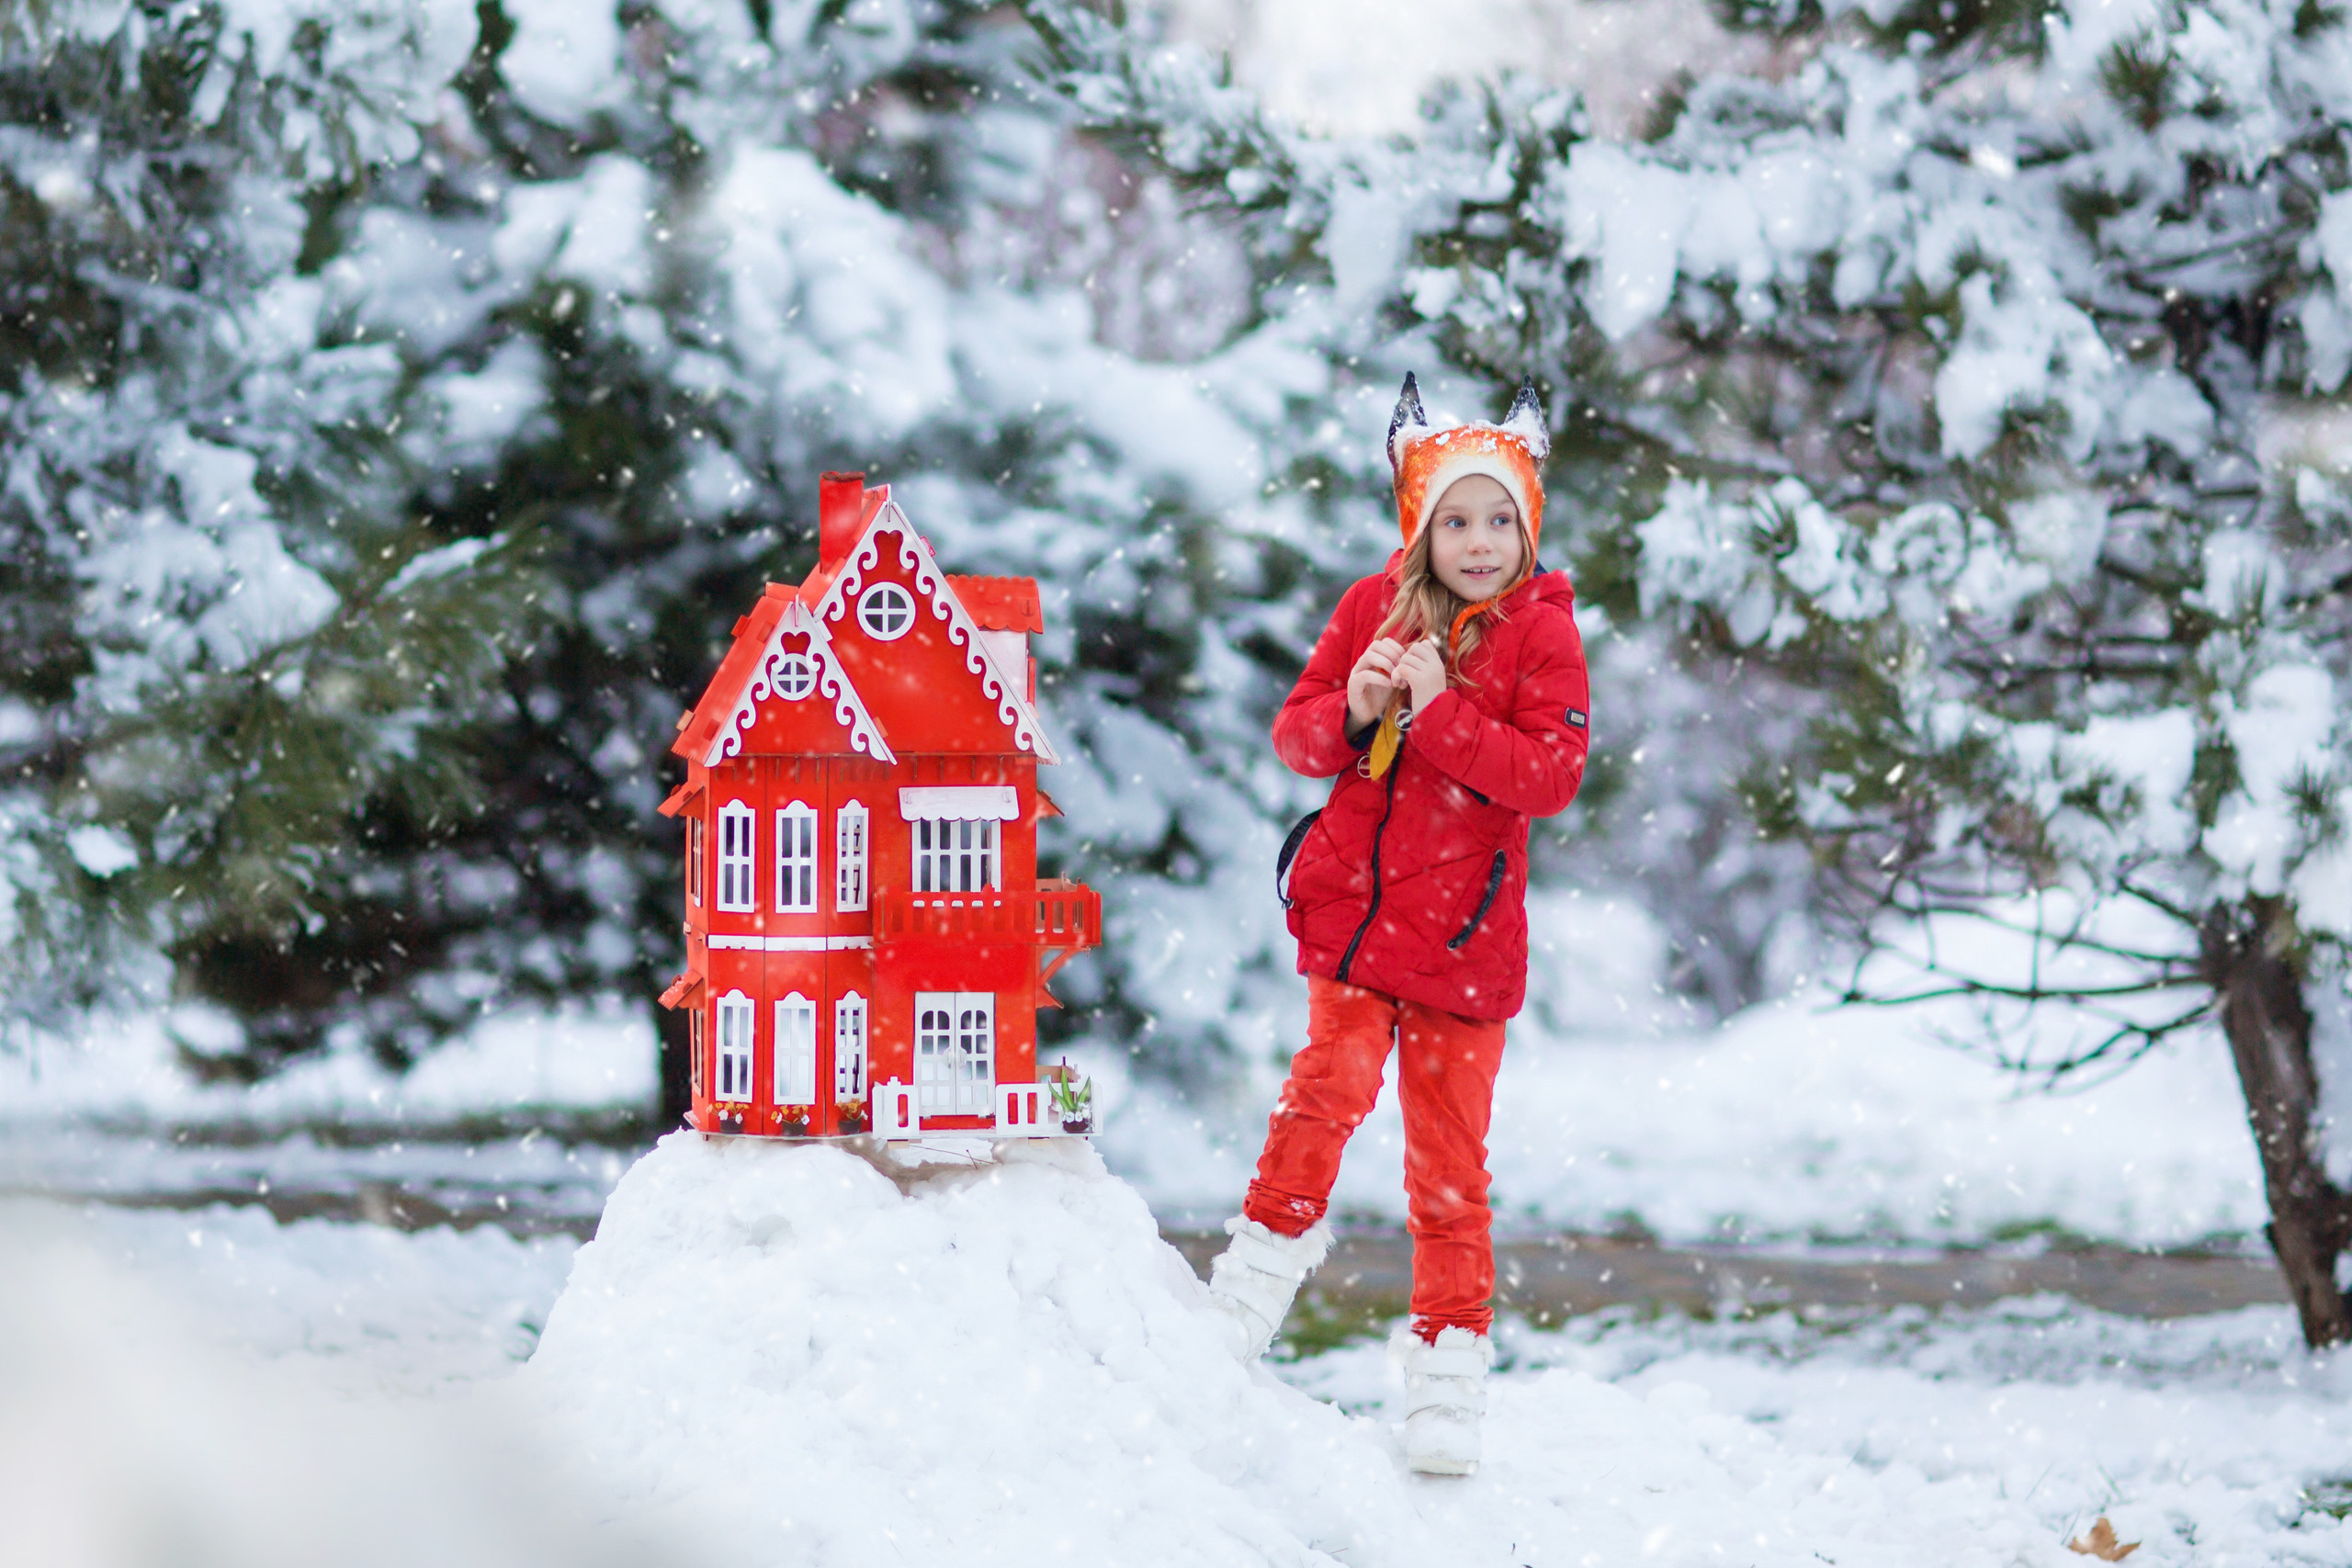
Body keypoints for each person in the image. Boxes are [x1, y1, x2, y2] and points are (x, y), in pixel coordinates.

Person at [1204, 374, 1590, 1477]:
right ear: (1419, 526)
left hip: (1464, 949)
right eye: (1454, 521)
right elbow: (1297, 739)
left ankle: (1447, 1381)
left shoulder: (1543, 636)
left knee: (1448, 1168)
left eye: (1498, 520)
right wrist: (1360, 707)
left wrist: (1442, 713)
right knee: (1323, 1092)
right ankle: (1242, 1301)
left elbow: (1549, 776)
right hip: (1356, 928)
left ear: (1528, 527)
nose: (1478, 543)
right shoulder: (1368, 609)